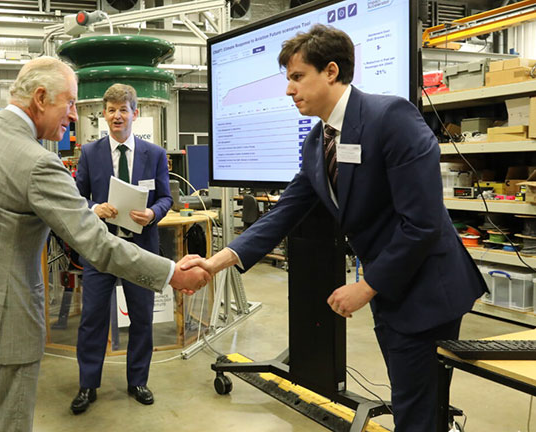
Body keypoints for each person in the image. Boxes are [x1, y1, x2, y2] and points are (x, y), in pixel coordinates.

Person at [180, 25, 486, 431]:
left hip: (427, 288)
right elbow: (283, 213)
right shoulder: (317, 141)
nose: (289, 90)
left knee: (417, 408)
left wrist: (365, 285)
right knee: (413, 401)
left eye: (296, 77)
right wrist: (213, 263)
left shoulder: (389, 117)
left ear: (329, 71)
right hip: (392, 288)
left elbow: (423, 224)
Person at [0, 57, 209, 432]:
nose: (71, 115)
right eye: (68, 103)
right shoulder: (37, 162)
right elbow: (96, 243)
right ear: (40, 98)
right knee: (5, 422)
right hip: (6, 323)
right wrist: (169, 273)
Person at [70, 83, 172, 414]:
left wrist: (153, 213)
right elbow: (75, 199)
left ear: (135, 114)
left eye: (123, 109)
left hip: (140, 248)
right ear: (104, 115)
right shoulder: (89, 153)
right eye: (111, 110)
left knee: (142, 319)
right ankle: (87, 384)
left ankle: (138, 381)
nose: (117, 115)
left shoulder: (154, 154)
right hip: (101, 249)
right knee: (92, 319)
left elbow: (167, 197)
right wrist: (94, 208)